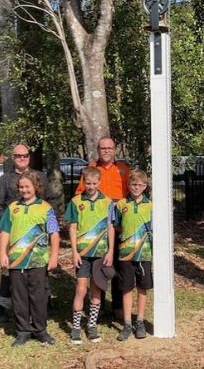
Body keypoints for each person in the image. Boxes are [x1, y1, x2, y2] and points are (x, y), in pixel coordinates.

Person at [0, 171, 60, 347]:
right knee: (19, 297)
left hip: (38, 262)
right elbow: (5, 232)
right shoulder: (12, 208)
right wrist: (3, 253)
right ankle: (23, 331)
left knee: (38, 296)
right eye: (21, 187)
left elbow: (54, 234)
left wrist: (54, 255)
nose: (24, 190)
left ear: (36, 187)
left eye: (27, 186)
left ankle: (40, 330)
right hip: (16, 262)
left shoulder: (46, 208)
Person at [0, 144, 51, 324]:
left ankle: (45, 302)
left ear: (29, 157)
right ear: (13, 157)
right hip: (13, 234)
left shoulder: (39, 177)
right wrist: (10, 225)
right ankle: (3, 305)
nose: (22, 158)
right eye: (18, 156)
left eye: (25, 155)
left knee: (39, 269)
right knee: (8, 270)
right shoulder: (5, 179)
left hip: (35, 234)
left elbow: (48, 202)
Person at [75, 137, 131, 320]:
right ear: (98, 150)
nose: (106, 151)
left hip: (118, 225)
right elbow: (79, 196)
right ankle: (97, 306)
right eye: (103, 148)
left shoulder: (123, 169)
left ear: (115, 149)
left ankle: (117, 307)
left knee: (116, 266)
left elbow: (131, 195)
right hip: (96, 229)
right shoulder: (91, 169)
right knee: (98, 267)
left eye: (110, 148)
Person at [65, 166, 115, 344]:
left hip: (100, 254)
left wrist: (110, 251)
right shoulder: (76, 201)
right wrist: (74, 252)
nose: (91, 186)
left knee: (96, 290)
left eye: (94, 183)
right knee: (80, 290)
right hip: (83, 254)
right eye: (88, 183)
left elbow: (110, 228)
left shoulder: (108, 202)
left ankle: (91, 326)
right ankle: (76, 328)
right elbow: (72, 227)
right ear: (83, 182)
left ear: (99, 182)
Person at [113, 169, 152, 341]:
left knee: (142, 288)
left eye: (139, 185)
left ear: (145, 186)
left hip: (144, 253)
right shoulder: (121, 205)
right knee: (127, 287)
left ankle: (140, 321)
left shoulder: (150, 206)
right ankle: (127, 323)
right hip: (125, 254)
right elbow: (117, 226)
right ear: (128, 185)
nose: (136, 187)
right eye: (133, 184)